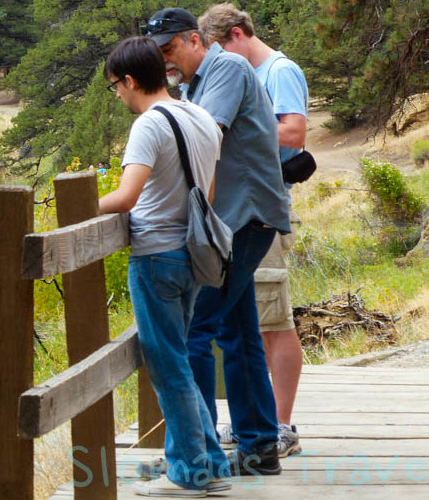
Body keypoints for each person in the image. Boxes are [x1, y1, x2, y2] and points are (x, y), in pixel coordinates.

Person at [144, 7, 291, 476]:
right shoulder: (194, 84)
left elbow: (204, 136)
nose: (165, 60)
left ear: (193, 39)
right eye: (157, 53)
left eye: (168, 49)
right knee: (238, 333)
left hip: (244, 219)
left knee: (192, 332)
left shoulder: (225, 66)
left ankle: (199, 456)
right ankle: (258, 449)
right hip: (233, 222)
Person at [98, 36, 230, 497]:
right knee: (180, 358)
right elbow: (207, 196)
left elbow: (126, 197)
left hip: (154, 256)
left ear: (131, 80)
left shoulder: (148, 125)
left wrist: (76, 209)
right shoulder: (200, 117)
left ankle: (190, 470)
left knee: (167, 364)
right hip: (194, 255)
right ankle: (208, 459)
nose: (116, 94)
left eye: (115, 85)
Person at [198, 2, 310, 459]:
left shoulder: (278, 71)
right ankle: (258, 424)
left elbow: (295, 132)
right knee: (247, 320)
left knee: (272, 319)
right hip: (240, 209)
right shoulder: (242, 71)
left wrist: (243, 125)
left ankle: (280, 424)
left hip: (261, 209)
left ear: (239, 34)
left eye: (221, 47)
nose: (219, 59)